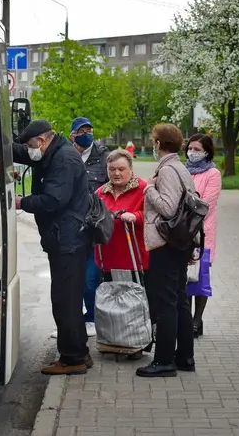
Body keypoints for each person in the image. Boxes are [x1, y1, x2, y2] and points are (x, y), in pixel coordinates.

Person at [0, 120, 93, 375]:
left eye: (31, 145)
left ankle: (73, 359)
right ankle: (79, 352)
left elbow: (53, 200)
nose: (29, 150)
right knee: (68, 298)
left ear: (42, 140)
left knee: (65, 300)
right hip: (64, 238)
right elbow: (16, 151)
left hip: (68, 240)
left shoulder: (64, 160)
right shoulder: (51, 151)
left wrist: (19, 201)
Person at [136, 123, 196, 378]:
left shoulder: (169, 170)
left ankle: (163, 361)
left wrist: (148, 188)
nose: (153, 145)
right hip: (178, 244)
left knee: (167, 302)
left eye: (154, 140)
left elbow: (169, 208)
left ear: (160, 144)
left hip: (166, 244)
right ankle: (184, 357)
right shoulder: (179, 167)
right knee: (180, 301)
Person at [93, 149, 150, 359]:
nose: (116, 173)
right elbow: (93, 214)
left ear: (131, 169)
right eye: (112, 169)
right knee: (114, 302)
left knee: (137, 302)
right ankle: (115, 340)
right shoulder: (101, 193)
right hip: (108, 256)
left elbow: (152, 216)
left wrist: (135, 216)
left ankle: (139, 342)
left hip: (135, 255)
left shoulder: (143, 189)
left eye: (121, 169)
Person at [68, 116, 109, 338]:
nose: (87, 133)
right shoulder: (67, 156)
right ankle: (79, 317)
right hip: (72, 226)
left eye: (89, 129)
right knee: (73, 277)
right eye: (81, 130)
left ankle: (93, 315)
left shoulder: (104, 156)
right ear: (72, 135)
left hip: (95, 226)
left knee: (91, 278)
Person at [184, 133, 222, 338]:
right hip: (184, 231)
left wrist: (186, 204)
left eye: (197, 150)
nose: (192, 153)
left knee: (200, 277)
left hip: (203, 232)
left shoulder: (213, 173)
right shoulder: (183, 170)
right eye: (190, 149)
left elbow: (206, 203)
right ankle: (187, 318)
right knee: (187, 277)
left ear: (206, 152)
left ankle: (197, 320)